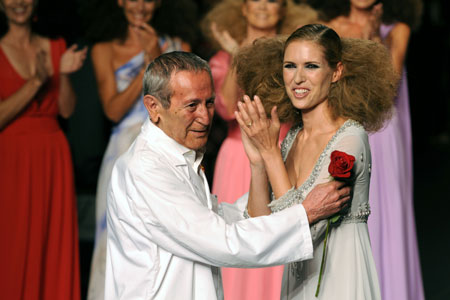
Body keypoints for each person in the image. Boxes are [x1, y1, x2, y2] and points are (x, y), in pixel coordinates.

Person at [105, 51, 351, 300]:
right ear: (153, 107)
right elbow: (223, 242)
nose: (205, 116)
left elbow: (225, 220)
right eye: (192, 105)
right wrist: (306, 213)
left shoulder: (180, 156)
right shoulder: (146, 169)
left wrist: (257, 166)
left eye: (209, 102)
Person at [234, 24, 398, 299]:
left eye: (311, 66)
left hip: (340, 276)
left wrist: (271, 153)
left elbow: (307, 229)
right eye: (290, 66)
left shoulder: (351, 139)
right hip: (298, 281)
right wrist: (259, 163)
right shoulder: (292, 138)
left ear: (336, 72)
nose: (297, 78)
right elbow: (263, 226)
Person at [201, 1, 317, 298]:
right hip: (238, 156)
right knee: (237, 240)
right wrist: (237, 55)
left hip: (283, 150)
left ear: (284, 9)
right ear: (242, 8)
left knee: (280, 235)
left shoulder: (294, 57)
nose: (263, 5)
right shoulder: (223, 56)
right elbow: (226, 110)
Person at [84, 1, 192, 298]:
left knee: (165, 236)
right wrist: (148, 65)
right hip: (122, 151)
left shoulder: (178, 46)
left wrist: (160, 56)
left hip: (167, 148)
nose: (139, 5)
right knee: (115, 238)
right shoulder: (103, 50)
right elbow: (113, 110)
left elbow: (185, 107)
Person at [318, 1, 425, 299]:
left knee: (386, 210)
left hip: (384, 132)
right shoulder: (332, 26)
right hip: (346, 126)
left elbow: (388, 86)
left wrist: (374, 36)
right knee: (347, 208)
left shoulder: (396, 30)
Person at [0, 0, 87, 299]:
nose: (18, 2)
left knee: (51, 239)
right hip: (10, 158)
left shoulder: (57, 46)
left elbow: (66, 109)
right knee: (12, 241)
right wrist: (36, 82)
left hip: (52, 154)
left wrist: (61, 75)